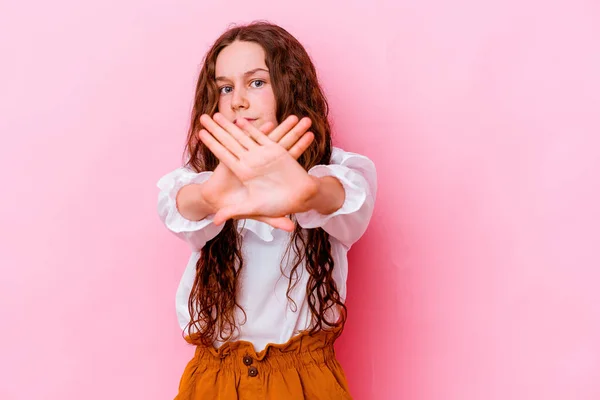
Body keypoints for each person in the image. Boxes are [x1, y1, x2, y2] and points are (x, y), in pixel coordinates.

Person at [157, 21, 377, 399]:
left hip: (305, 381)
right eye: (225, 88)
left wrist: (306, 194)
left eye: (256, 82)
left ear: (289, 85)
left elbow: (343, 196)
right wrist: (213, 196)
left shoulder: (338, 169)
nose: (238, 100)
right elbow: (177, 203)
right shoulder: (203, 178)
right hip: (216, 380)